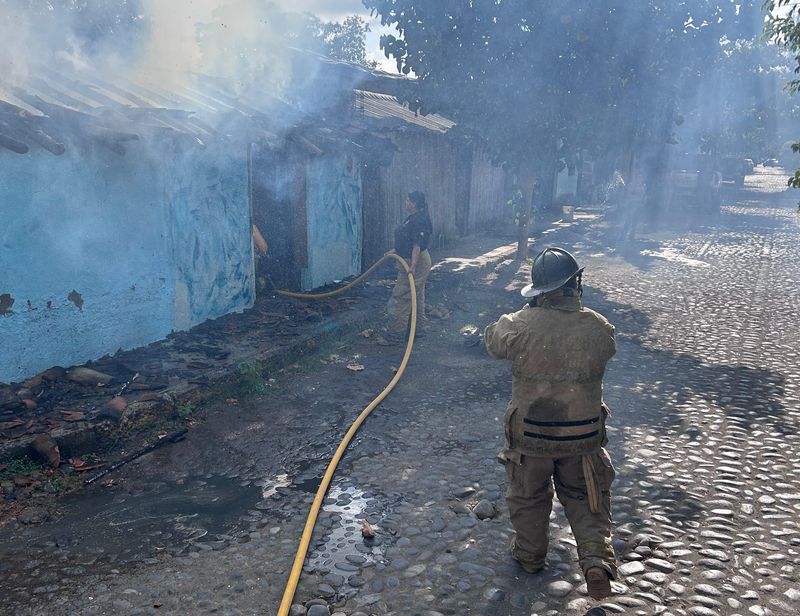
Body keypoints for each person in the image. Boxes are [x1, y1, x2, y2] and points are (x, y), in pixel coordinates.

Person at [484, 247, 617, 600]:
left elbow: (493, 342)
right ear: (576, 284)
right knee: (586, 496)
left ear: (540, 290)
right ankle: (595, 558)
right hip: (583, 439)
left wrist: (528, 314)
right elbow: (606, 349)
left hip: (531, 439)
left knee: (528, 497)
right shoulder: (599, 326)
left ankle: (529, 556)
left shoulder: (520, 324)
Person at [384, 191, 433, 343]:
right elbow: (407, 240)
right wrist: (395, 250)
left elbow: (417, 245)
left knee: (402, 296)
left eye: (407, 200)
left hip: (415, 261)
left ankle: (395, 335)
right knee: (416, 296)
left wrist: (413, 266)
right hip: (412, 259)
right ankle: (418, 329)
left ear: (414, 204)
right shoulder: (413, 218)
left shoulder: (419, 220)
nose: (405, 203)